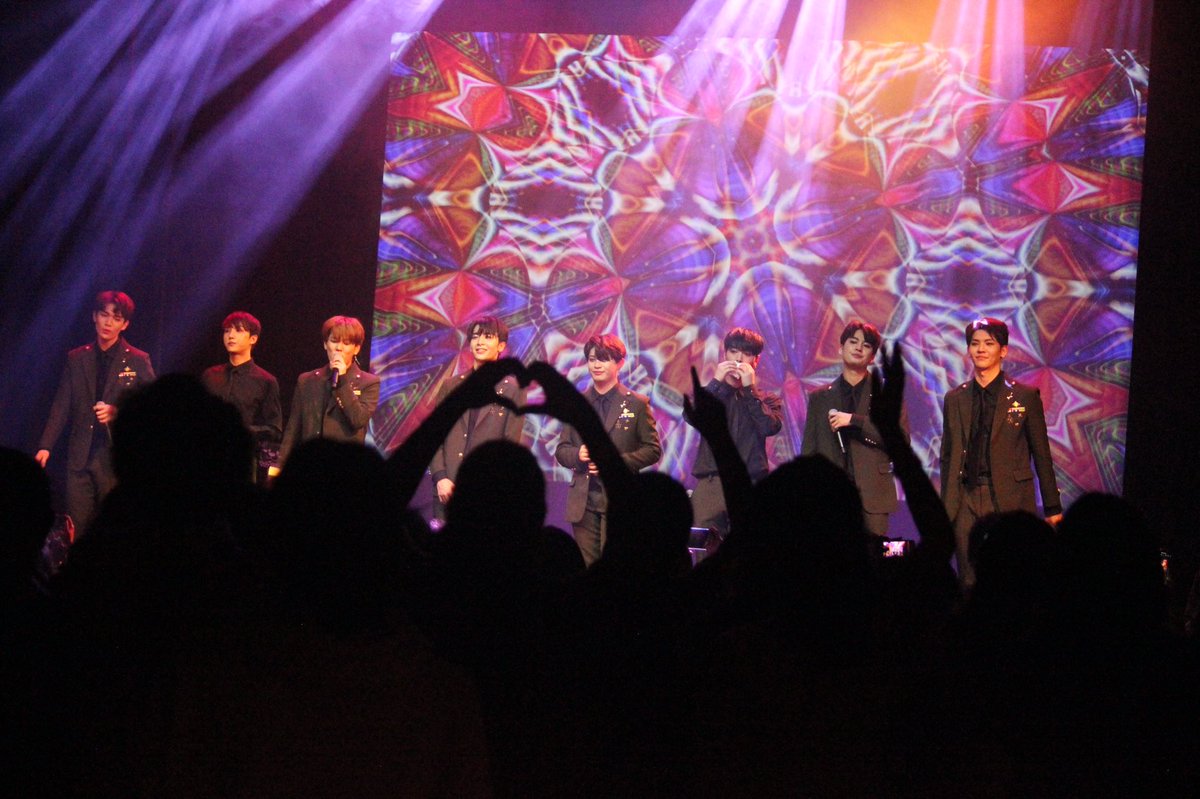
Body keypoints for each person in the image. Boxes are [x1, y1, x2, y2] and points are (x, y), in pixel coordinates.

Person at [940, 317, 1062, 591]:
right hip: (966, 497)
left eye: (989, 343)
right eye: (975, 344)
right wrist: (945, 507)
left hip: (1009, 496)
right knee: (968, 577)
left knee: (1011, 576)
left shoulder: (1025, 396)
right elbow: (947, 456)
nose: (981, 349)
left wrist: (1052, 507)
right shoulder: (955, 398)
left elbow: (1041, 454)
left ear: (1003, 350)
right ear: (968, 350)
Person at [35, 290, 156, 533]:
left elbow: (153, 405)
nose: (108, 323)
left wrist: (117, 412)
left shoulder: (137, 360)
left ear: (125, 324)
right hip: (80, 457)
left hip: (114, 459)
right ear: (94, 316)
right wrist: (45, 445)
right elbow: (62, 404)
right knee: (77, 529)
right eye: (104, 315)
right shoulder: (77, 358)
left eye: (116, 318)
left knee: (113, 530)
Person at [554, 334, 661, 565]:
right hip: (583, 501)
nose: (596, 365)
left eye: (603, 359)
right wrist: (578, 454)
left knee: (615, 566)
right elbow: (562, 450)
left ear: (619, 363)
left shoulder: (637, 403)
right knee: (588, 567)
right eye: (592, 359)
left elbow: (653, 449)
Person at [801, 320, 902, 536]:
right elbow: (809, 450)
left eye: (866, 345)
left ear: (872, 356)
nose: (858, 348)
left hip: (873, 496)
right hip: (830, 495)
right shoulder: (820, 397)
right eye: (853, 342)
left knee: (872, 554)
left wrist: (855, 421)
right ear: (841, 348)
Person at [687, 327, 783, 543]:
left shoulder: (767, 399)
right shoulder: (710, 393)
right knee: (703, 548)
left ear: (756, 360)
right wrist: (717, 382)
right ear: (725, 354)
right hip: (712, 483)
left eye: (746, 354)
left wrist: (750, 389)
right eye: (733, 351)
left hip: (751, 482)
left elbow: (769, 427)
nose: (739, 359)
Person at [429, 316, 526, 518]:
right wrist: (440, 477)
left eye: (487, 337)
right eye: (475, 337)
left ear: (501, 346)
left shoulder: (513, 390)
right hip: (446, 490)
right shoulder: (451, 386)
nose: (479, 342)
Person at [276, 316, 379, 472]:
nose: (339, 348)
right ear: (325, 344)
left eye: (346, 343)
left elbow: (358, 419)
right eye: (334, 341)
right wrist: (280, 467)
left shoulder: (369, 382)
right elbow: (293, 428)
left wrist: (342, 381)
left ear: (356, 349)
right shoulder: (307, 380)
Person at [201, 311, 282, 481]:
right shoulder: (210, 375)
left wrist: (241, 431)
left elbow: (274, 428)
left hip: (243, 461)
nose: (230, 336)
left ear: (253, 338)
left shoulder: (266, 381)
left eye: (238, 331)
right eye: (227, 331)